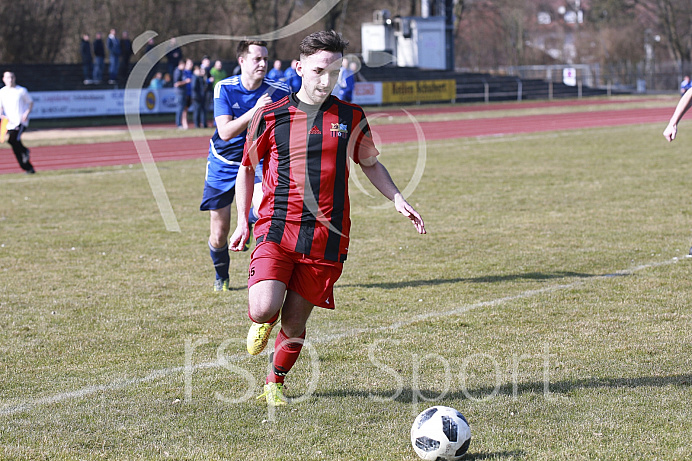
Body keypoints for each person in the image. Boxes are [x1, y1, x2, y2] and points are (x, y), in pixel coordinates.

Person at [229, 30, 426, 406]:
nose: (326, 80)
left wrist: (398, 197)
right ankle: (261, 320)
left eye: (334, 73)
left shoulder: (350, 116)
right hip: (276, 225)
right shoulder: (270, 116)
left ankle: (274, 384)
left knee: (296, 323)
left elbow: (370, 163)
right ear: (300, 68)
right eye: (319, 71)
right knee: (264, 306)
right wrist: (242, 220)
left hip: (327, 235)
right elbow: (247, 168)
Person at [199, 40, 290, 292]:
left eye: (265, 59)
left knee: (264, 209)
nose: (263, 64)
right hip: (223, 162)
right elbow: (225, 132)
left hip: (258, 161)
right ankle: (222, 276)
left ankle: (249, 220)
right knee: (219, 232)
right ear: (241, 61)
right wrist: (257, 110)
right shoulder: (224, 88)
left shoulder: (280, 90)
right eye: (257, 59)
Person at [0, 72, 35, 174]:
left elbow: (30, 103)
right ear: (3, 79)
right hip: (9, 122)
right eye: (7, 78)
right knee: (13, 143)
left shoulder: (21, 91)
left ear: (14, 78)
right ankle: (28, 167)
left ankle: (25, 151)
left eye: (11, 77)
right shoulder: (2, 92)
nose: (10, 80)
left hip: (20, 121)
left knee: (14, 139)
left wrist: (26, 113)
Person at [172, 60, 191, 129]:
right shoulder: (177, 71)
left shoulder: (181, 72)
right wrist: (185, 82)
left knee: (182, 108)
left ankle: (181, 123)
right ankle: (179, 124)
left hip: (183, 92)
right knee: (180, 108)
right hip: (179, 93)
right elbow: (176, 84)